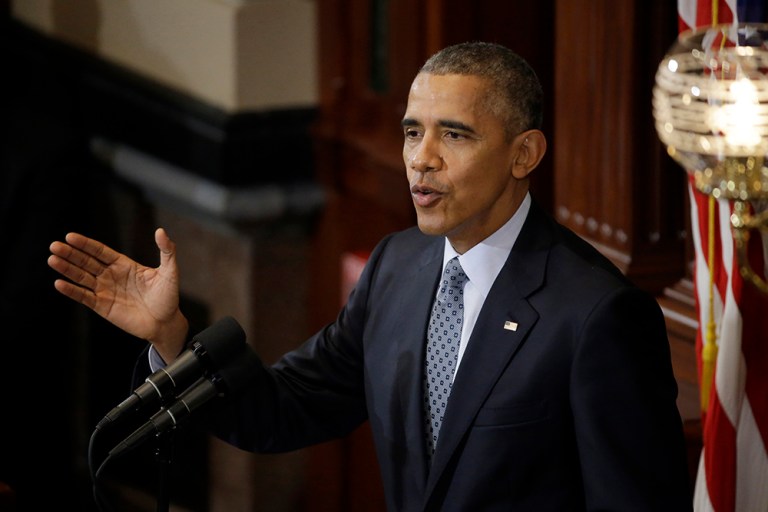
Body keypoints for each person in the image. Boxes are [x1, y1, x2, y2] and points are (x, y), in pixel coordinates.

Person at [48, 41, 693, 511]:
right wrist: (171, 337)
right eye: (413, 132)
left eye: (455, 135)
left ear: (524, 153)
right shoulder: (397, 267)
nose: (421, 159)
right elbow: (282, 410)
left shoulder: (597, 317)